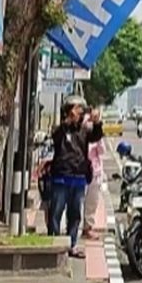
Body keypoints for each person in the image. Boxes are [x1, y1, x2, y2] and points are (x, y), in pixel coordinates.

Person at [48, 96, 103, 257]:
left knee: (75, 214)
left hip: (78, 177)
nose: (80, 114)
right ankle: (54, 243)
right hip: (60, 177)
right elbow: (56, 137)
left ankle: (72, 244)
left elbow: (97, 135)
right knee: (56, 212)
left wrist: (97, 121)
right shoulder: (60, 129)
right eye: (77, 109)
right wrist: (67, 121)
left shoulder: (84, 130)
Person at [82, 121, 106, 239]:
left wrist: (98, 140)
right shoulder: (80, 138)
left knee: (92, 202)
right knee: (78, 202)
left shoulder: (96, 140)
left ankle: (88, 227)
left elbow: (102, 151)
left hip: (94, 173)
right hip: (80, 172)